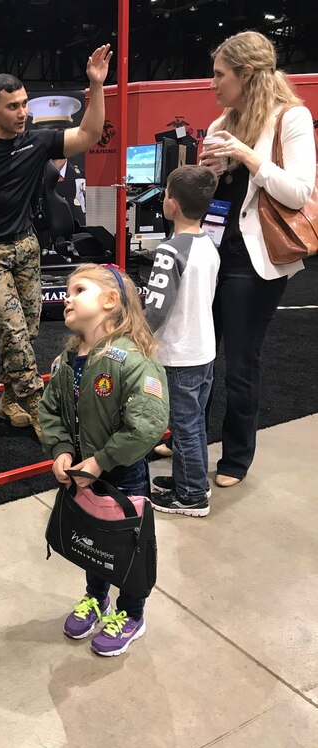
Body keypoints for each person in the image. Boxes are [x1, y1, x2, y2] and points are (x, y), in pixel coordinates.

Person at [0, 46, 112, 437]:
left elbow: (90, 134)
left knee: (27, 334)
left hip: (26, 247)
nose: (23, 113)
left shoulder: (37, 141)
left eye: (25, 104)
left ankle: (10, 400)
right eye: (13, 106)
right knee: (12, 335)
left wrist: (96, 85)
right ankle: (41, 410)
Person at [200, 31, 316, 488]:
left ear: (245, 74)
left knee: (241, 361)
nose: (213, 84)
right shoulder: (218, 124)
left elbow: (299, 191)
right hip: (210, 251)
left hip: (256, 260)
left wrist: (247, 155)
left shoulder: (293, 118)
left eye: (219, 75)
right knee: (196, 355)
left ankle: (236, 456)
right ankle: (189, 432)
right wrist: (206, 173)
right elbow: (209, 196)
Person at [38, 264, 169, 657]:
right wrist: (61, 448)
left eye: (79, 290)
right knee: (92, 538)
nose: (67, 298)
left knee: (126, 544)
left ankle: (131, 614)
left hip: (121, 472)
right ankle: (96, 596)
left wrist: (100, 461)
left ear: (111, 301)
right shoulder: (66, 360)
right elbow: (50, 410)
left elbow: (148, 424)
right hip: (82, 472)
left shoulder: (132, 361)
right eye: (67, 290)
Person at [143, 165, 220, 517]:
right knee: (195, 422)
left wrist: (136, 333)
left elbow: (156, 307)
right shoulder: (209, 246)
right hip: (203, 350)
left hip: (179, 355)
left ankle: (191, 496)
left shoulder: (170, 251)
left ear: (170, 204)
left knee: (185, 425)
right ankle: (191, 480)